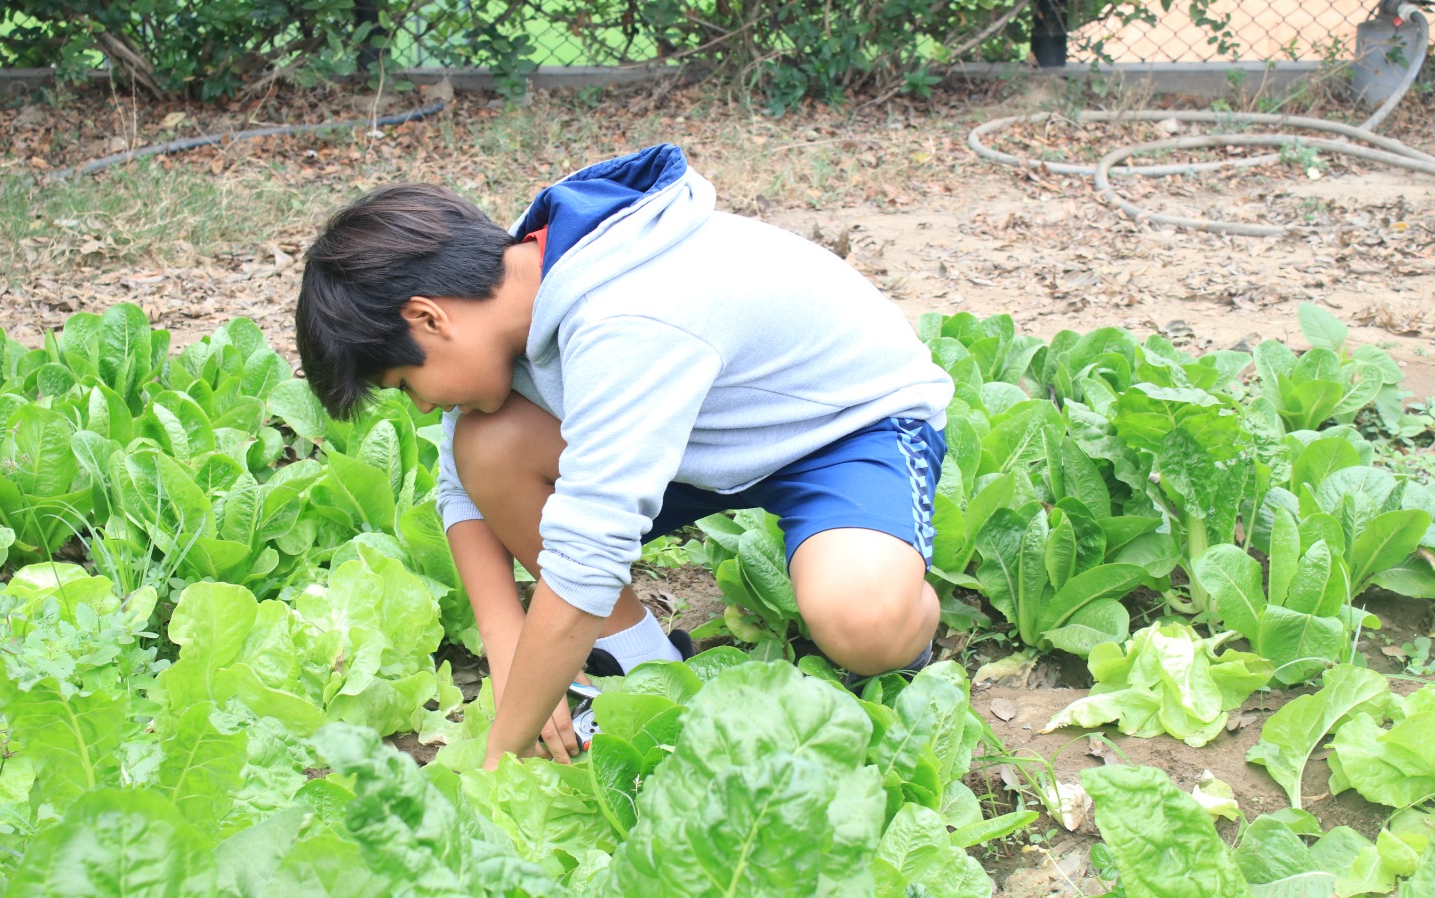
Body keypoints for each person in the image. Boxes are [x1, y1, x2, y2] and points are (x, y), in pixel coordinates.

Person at [294, 143, 953, 769]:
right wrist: (508, 646)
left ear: (429, 319)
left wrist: (499, 757)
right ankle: (644, 667)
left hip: (841, 430)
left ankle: (906, 608)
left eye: (406, 387)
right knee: (486, 445)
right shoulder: (522, 287)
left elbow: (587, 553)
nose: (425, 408)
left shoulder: (624, 314)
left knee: (862, 622)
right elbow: (462, 488)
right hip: (697, 438)